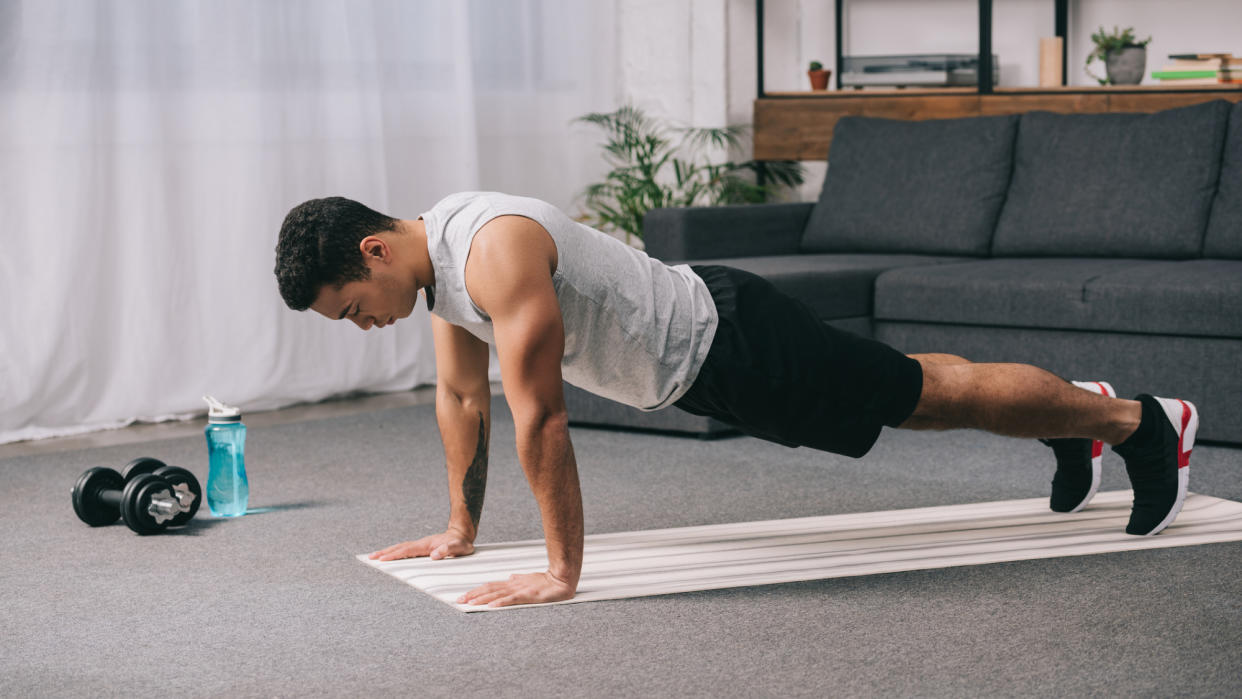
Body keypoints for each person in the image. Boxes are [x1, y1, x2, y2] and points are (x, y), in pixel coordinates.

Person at [274, 192, 1199, 609]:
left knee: (924, 395)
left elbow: (541, 415)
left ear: (374, 254)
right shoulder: (439, 274)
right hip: (706, 365)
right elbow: (463, 399)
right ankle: (1078, 419)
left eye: (353, 310)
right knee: (915, 396)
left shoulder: (493, 250)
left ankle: (1133, 421)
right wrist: (460, 528)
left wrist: (561, 571)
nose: (363, 326)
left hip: (734, 337)